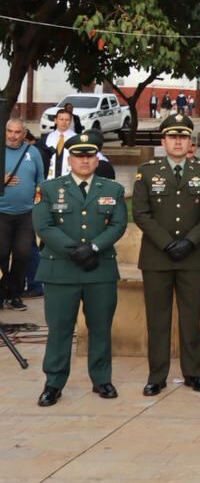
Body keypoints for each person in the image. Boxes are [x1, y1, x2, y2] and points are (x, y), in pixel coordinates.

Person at [31, 132, 126, 406]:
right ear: (70, 159)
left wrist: (94, 248)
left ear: (97, 159)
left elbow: (118, 224)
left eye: (89, 156)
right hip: (61, 270)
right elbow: (44, 225)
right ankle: (53, 383)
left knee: (100, 327)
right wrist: (75, 251)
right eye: (78, 156)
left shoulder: (112, 189)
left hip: (99, 270)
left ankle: (101, 379)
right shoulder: (49, 189)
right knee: (60, 329)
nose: (84, 161)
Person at [132, 113, 200, 395]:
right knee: (157, 319)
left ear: (190, 141)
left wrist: (190, 242)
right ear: (163, 141)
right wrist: (167, 242)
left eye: (183, 137)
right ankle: (156, 376)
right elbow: (141, 213)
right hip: (157, 257)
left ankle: (193, 373)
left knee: (190, 319)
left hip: (192, 258)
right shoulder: (146, 171)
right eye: (173, 136)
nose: (178, 141)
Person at [1, 118, 44, 311]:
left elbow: (40, 180)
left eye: (17, 132)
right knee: (1, 255)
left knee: (23, 255)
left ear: (24, 133)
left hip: (26, 214)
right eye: (9, 131)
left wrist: (39, 201)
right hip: (2, 213)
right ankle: (2, 293)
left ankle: (15, 294)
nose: (12, 135)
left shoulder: (32, 152)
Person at [40, 107, 76, 179]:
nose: (64, 122)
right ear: (55, 120)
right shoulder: (46, 139)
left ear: (70, 121)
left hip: (70, 179)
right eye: (61, 119)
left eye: (67, 120)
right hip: (50, 179)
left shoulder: (76, 139)